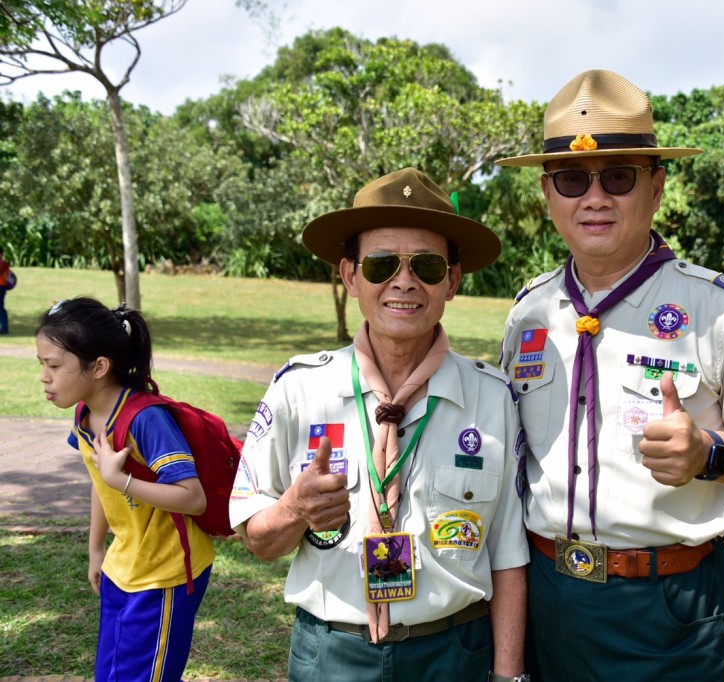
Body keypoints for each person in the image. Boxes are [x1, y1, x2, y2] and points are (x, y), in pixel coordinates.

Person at [496, 70, 724, 681]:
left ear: (656, 186)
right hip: (546, 595)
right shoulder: (528, 311)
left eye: (618, 177)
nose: (595, 198)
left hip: (667, 607)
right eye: (571, 179)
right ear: (547, 194)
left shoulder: (716, 306)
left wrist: (708, 454)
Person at [229, 167, 531, 682]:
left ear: (452, 281)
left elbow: (507, 553)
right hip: (332, 652)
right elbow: (258, 540)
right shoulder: (297, 390)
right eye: (382, 263)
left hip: (455, 651)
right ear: (350, 276)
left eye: (428, 266)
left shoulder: (492, 397)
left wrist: (507, 675)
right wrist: (294, 508)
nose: (404, 281)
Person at [35, 297, 212, 681]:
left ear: (98, 367)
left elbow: (192, 498)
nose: (44, 377)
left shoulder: (145, 419)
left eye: (53, 366)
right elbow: (101, 484)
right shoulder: (84, 413)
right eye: (41, 365)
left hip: (165, 572)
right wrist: (96, 549)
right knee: (112, 673)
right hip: (123, 565)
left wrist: (123, 480)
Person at [0, 247, 11, 334]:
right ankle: (4, 328)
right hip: (2, 287)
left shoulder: (4, 264)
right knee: (1, 308)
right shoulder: (5, 264)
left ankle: (4, 329)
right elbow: (8, 277)